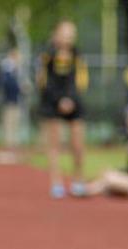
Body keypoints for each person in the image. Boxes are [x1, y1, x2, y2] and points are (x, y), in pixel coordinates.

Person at [37, 20, 88, 198]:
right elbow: (44, 82)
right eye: (65, 34)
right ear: (57, 34)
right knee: (55, 144)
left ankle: (78, 179)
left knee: (78, 145)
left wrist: (71, 99)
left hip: (73, 102)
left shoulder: (77, 55)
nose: (68, 38)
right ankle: (56, 182)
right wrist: (59, 100)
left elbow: (80, 81)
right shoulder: (47, 55)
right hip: (52, 103)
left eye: (71, 35)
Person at [0, 46, 24, 149]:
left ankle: (13, 143)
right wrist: (20, 88)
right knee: (9, 122)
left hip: (15, 100)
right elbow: (8, 84)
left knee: (15, 122)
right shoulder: (8, 69)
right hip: (9, 100)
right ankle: (9, 144)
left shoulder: (16, 70)